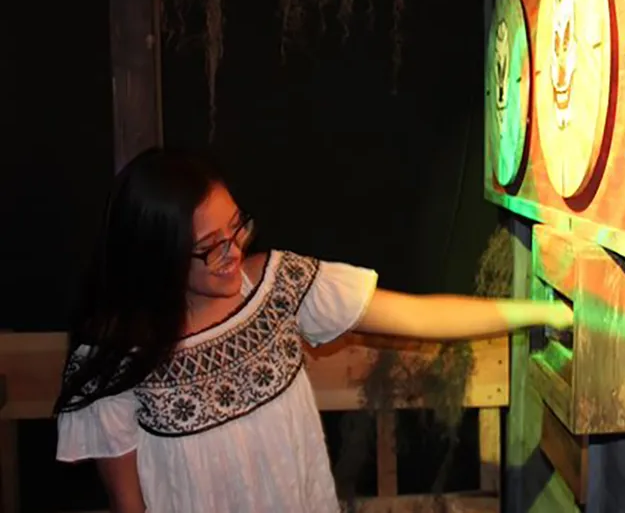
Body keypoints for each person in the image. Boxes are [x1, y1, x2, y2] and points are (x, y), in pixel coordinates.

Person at [53, 148, 572, 513]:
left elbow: (417, 316)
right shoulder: (117, 356)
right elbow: (129, 503)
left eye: (237, 227)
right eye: (211, 246)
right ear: (156, 257)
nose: (233, 252)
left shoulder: (282, 287)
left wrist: (537, 312)